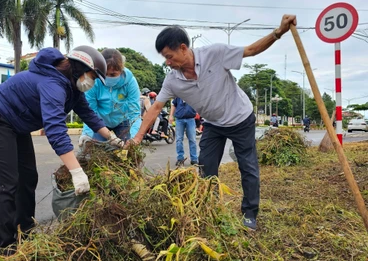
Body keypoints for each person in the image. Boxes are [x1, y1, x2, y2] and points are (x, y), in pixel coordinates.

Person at [127, 14, 297, 231]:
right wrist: (137, 138)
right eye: (164, 58)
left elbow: (251, 50)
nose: (167, 63)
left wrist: (278, 32)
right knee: (206, 166)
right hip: (214, 124)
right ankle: (211, 208)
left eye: (169, 56)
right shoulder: (172, 80)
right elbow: (156, 108)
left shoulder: (215, 54)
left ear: (182, 48)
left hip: (240, 118)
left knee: (248, 166)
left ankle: (249, 213)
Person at [0, 46, 123, 255]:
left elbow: (88, 114)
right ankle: (7, 247)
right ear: (80, 69)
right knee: (5, 184)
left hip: (17, 124)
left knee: (28, 178)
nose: (93, 82)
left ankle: (25, 233)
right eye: (93, 76)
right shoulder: (53, 84)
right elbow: (55, 130)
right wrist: (76, 171)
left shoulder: (72, 87)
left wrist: (112, 138)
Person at [80, 48, 141, 145]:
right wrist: (87, 134)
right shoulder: (94, 82)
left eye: (113, 74)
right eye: (105, 74)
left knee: (125, 153)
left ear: (121, 70)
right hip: (100, 123)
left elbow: (135, 113)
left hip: (122, 122)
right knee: (98, 151)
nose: (108, 77)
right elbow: (90, 111)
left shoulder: (130, 82)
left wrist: (134, 137)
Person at [169, 97, 198, 166]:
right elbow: (173, 104)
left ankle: (194, 159)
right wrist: (171, 115)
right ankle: (180, 158)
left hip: (190, 118)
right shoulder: (177, 94)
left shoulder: (192, 94)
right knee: (179, 139)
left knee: (192, 140)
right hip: (179, 119)